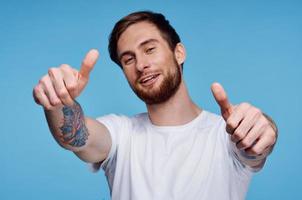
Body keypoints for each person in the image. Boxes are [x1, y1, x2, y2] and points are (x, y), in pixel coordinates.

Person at [33, 11, 278, 200]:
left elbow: (256, 144)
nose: (141, 65)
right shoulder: (121, 134)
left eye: (149, 49)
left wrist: (262, 128)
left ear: (179, 53)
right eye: (128, 59)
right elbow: (77, 138)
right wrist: (57, 102)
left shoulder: (226, 135)